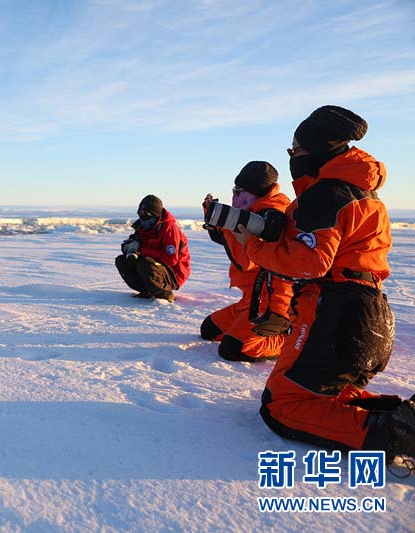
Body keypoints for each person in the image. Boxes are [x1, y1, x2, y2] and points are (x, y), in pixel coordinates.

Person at [231, 105, 414, 464]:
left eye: (295, 151)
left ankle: (397, 433)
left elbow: (308, 263)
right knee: (319, 395)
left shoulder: (325, 195)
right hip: (369, 312)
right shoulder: (363, 194)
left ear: (314, 151)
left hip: (337, 313)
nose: (292, 159)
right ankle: (400, 419)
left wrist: (251, 243)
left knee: (282, 405)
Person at [200, 162, 294, 362]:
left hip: (274, 305)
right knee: (209, 330)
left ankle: (289, 338)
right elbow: (227, 241)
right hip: (251, 301)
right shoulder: (253, 211)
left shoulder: (271, 218)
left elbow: (246, 262)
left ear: (253, 192)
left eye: (239, 191)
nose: (235, 196)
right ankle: (245, 327)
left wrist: (226, 224)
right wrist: (215, 219)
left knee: (233, 349)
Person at [115, 195, 190, 302]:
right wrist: (128, 248)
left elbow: (171, 259)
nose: (143, 218)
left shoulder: (169, 228)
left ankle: (165, 294)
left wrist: (143, 251)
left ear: (156, 215)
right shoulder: (141, 227)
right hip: (155, 267)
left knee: (145, 262)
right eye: (140, 214)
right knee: (122, 261)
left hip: (174, 273)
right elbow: (132, 244)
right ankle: (147, 291)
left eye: (147, 215)